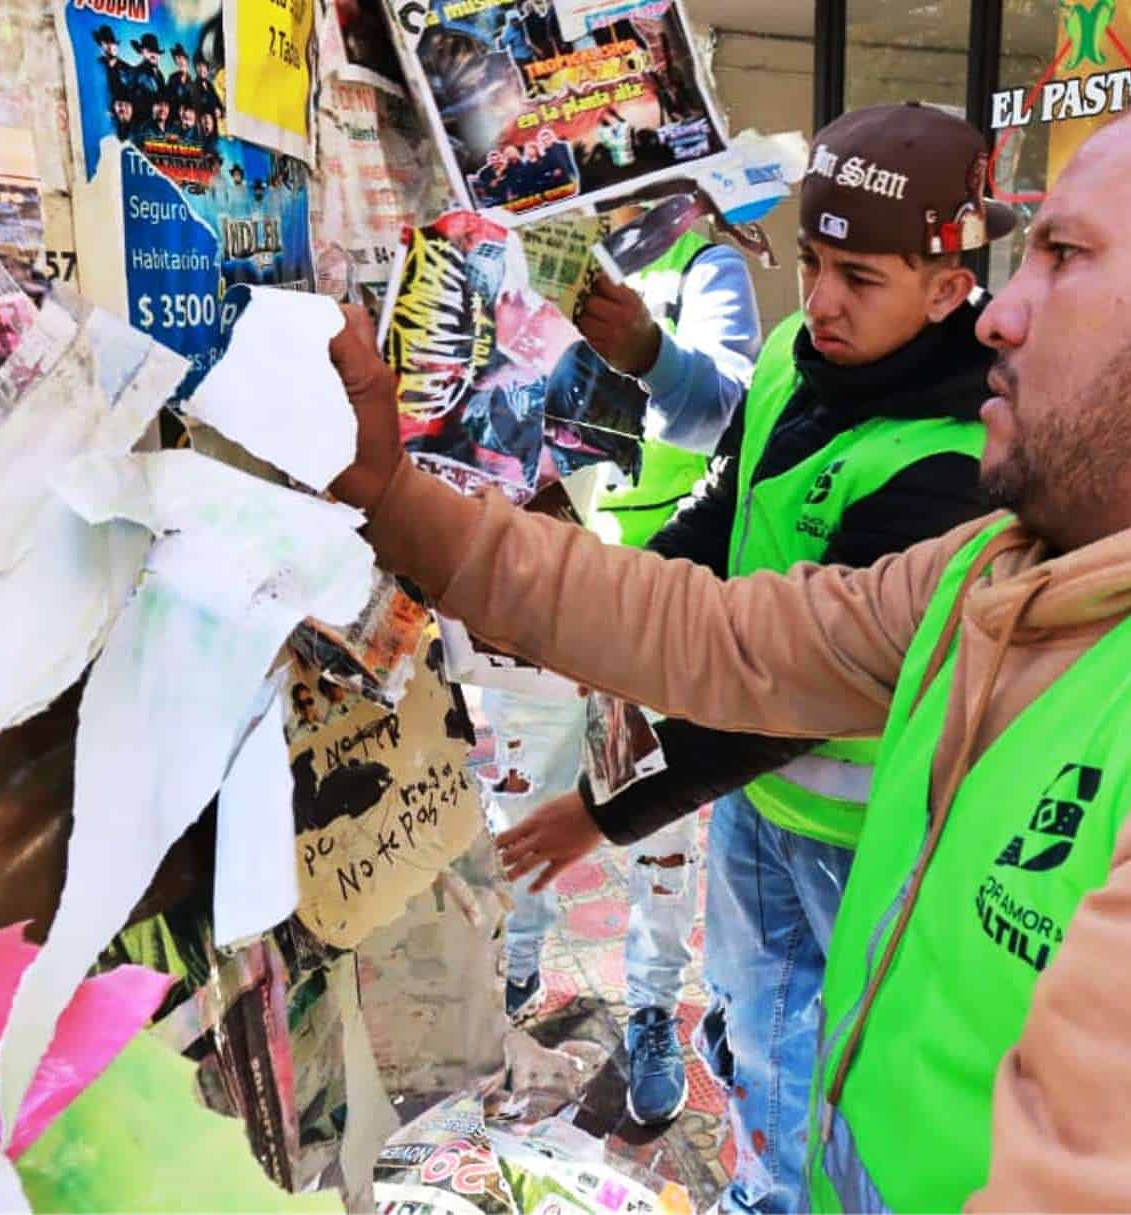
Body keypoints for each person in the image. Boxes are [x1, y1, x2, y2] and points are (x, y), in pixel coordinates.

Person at [324, 48, 1131, 1211]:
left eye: (1065, 255)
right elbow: (727, 634)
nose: (993, 312)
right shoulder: (1035, 565)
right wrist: (397, 501)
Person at [504, 104, 1007, 1213]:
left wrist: (603, 813)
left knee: (849, 1079)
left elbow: (787, 700)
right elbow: (721, 524)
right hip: (754, 805)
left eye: (859, 278)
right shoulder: (791, 356)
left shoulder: (955, 458)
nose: (820, 301)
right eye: (813, 263)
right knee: (759, 1030)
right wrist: (601, 608)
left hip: (868, 841)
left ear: (946, 287)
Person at [480, 202, 762, 1134]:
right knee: (520, 802)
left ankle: (650, 1010)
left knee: (658, 827)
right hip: (537, 600)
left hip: (652, 605)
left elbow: (735, 410)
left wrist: (650, 350)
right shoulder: (516, 241)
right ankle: (512, 971)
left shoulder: (701, 263)